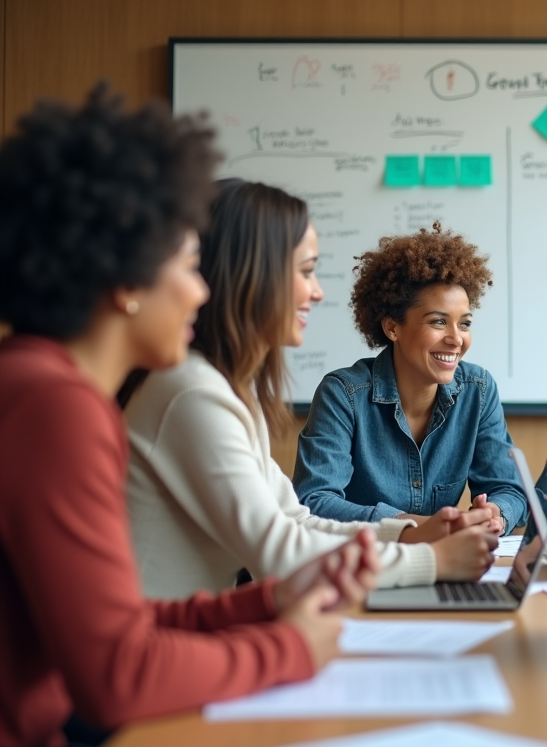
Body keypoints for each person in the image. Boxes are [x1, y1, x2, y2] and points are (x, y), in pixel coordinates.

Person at [0, 85, 379, 747]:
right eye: (186, 267)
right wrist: (289, 647)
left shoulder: (34, 384)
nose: (203, 292)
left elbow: (118, 624)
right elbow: (117, 676)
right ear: (127, 282)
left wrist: (267, 602)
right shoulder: (56, 408)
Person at [123, 180, 497, 600]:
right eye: (305, 271)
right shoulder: (193, 393)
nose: (317, 292)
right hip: (162, 645)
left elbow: (293, 520)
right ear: (252, 274)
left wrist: (411, 535)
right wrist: (432, 561)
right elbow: (279, 553)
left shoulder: (223, 388)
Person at [293, 224, 528, 535]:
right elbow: (314, 501)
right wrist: (420, 527)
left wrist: (495, 514)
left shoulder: (478, 391)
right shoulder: (343, 394)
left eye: (465, 323)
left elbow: (511, 491)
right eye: (438, 322)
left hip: (441, 561)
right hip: (362, 565)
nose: (456, 339)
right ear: (393, 328)